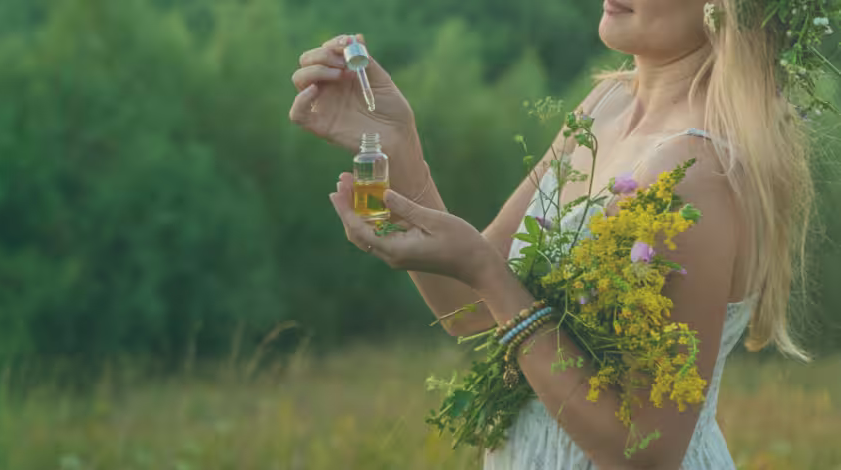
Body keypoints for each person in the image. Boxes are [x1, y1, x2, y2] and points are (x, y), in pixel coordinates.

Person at [288, 0, 816, 468]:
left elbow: (646, 453)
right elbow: (469, 309)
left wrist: (492, 278)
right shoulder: (606, 106)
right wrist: (399, 149)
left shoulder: (698, 176)